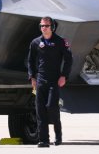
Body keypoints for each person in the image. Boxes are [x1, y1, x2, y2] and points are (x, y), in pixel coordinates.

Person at [27, 16, 73, 147]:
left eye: (46, 26)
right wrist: (32, 77)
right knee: (40, 110)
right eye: (41, 26)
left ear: (52, 27)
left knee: (51, 107)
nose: (43, 28)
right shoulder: (36, 42)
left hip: (54, 80)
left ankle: (58, 135)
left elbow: (69, 59)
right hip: (41, 80)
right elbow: (30, 61)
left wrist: (64, 76)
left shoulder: (60, 42)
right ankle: (44, 140)